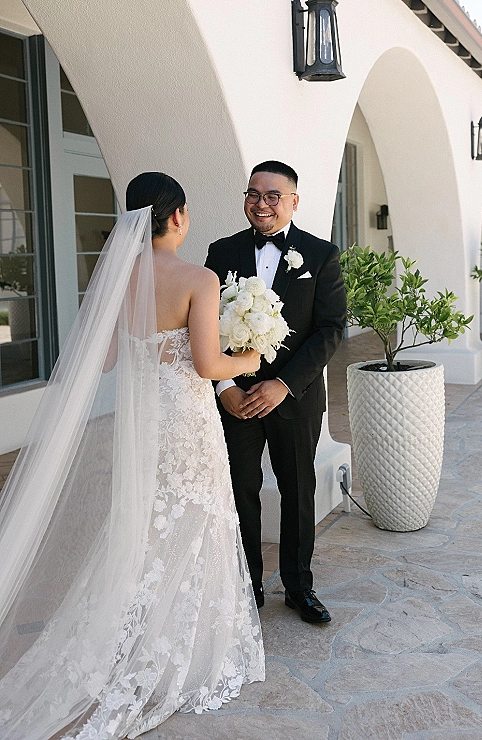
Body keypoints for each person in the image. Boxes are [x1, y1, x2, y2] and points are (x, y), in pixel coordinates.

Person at [0, 172, 264, 740]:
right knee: (195, 523)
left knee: (146, 526)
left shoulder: (117, 277)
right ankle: (185, 652)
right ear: (177, 217)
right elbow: (207, 365)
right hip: (188, 426)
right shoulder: (199, 277)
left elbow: (108, 361)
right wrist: (250, 358)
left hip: (142, 425)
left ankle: (139, 635)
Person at [205, 160, 346, 624]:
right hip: (236, 399)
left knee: (297, 490)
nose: (260, 204)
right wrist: (224, 386)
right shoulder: (221, 252)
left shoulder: (321, 255)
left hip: (295, 398)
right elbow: (202, 328)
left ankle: (299, 588)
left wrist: (283, 385)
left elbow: (329, 330)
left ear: (293, 202)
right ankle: (247, 586)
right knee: (240, 489)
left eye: (271, 196)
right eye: (252, 194)